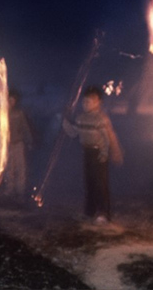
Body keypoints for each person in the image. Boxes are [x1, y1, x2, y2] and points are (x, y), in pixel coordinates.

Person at [62, 86, 123, 224]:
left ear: (97, 103)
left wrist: (106, 152)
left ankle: (103, 213)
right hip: (87, 152)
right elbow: (73, 133)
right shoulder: (81, 118)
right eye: (84, 102)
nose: (86, 104)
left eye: (89, 102)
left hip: (99, 154)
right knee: (89, 183)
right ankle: (90, 210)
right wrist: (65, 123)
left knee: (100, 184)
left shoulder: (101, 119)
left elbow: (107, 138)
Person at [4, 89, 33, 205]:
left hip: (18, 144)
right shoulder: (2, 113)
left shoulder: (19, 113)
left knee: (21, 168)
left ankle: (20, 192)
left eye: (12, 100)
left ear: (15, 101)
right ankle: (10, 190)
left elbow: (25, 127)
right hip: (7, 145)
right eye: (8, 100)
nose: (10, 102)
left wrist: (29, 141)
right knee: (9, 168)